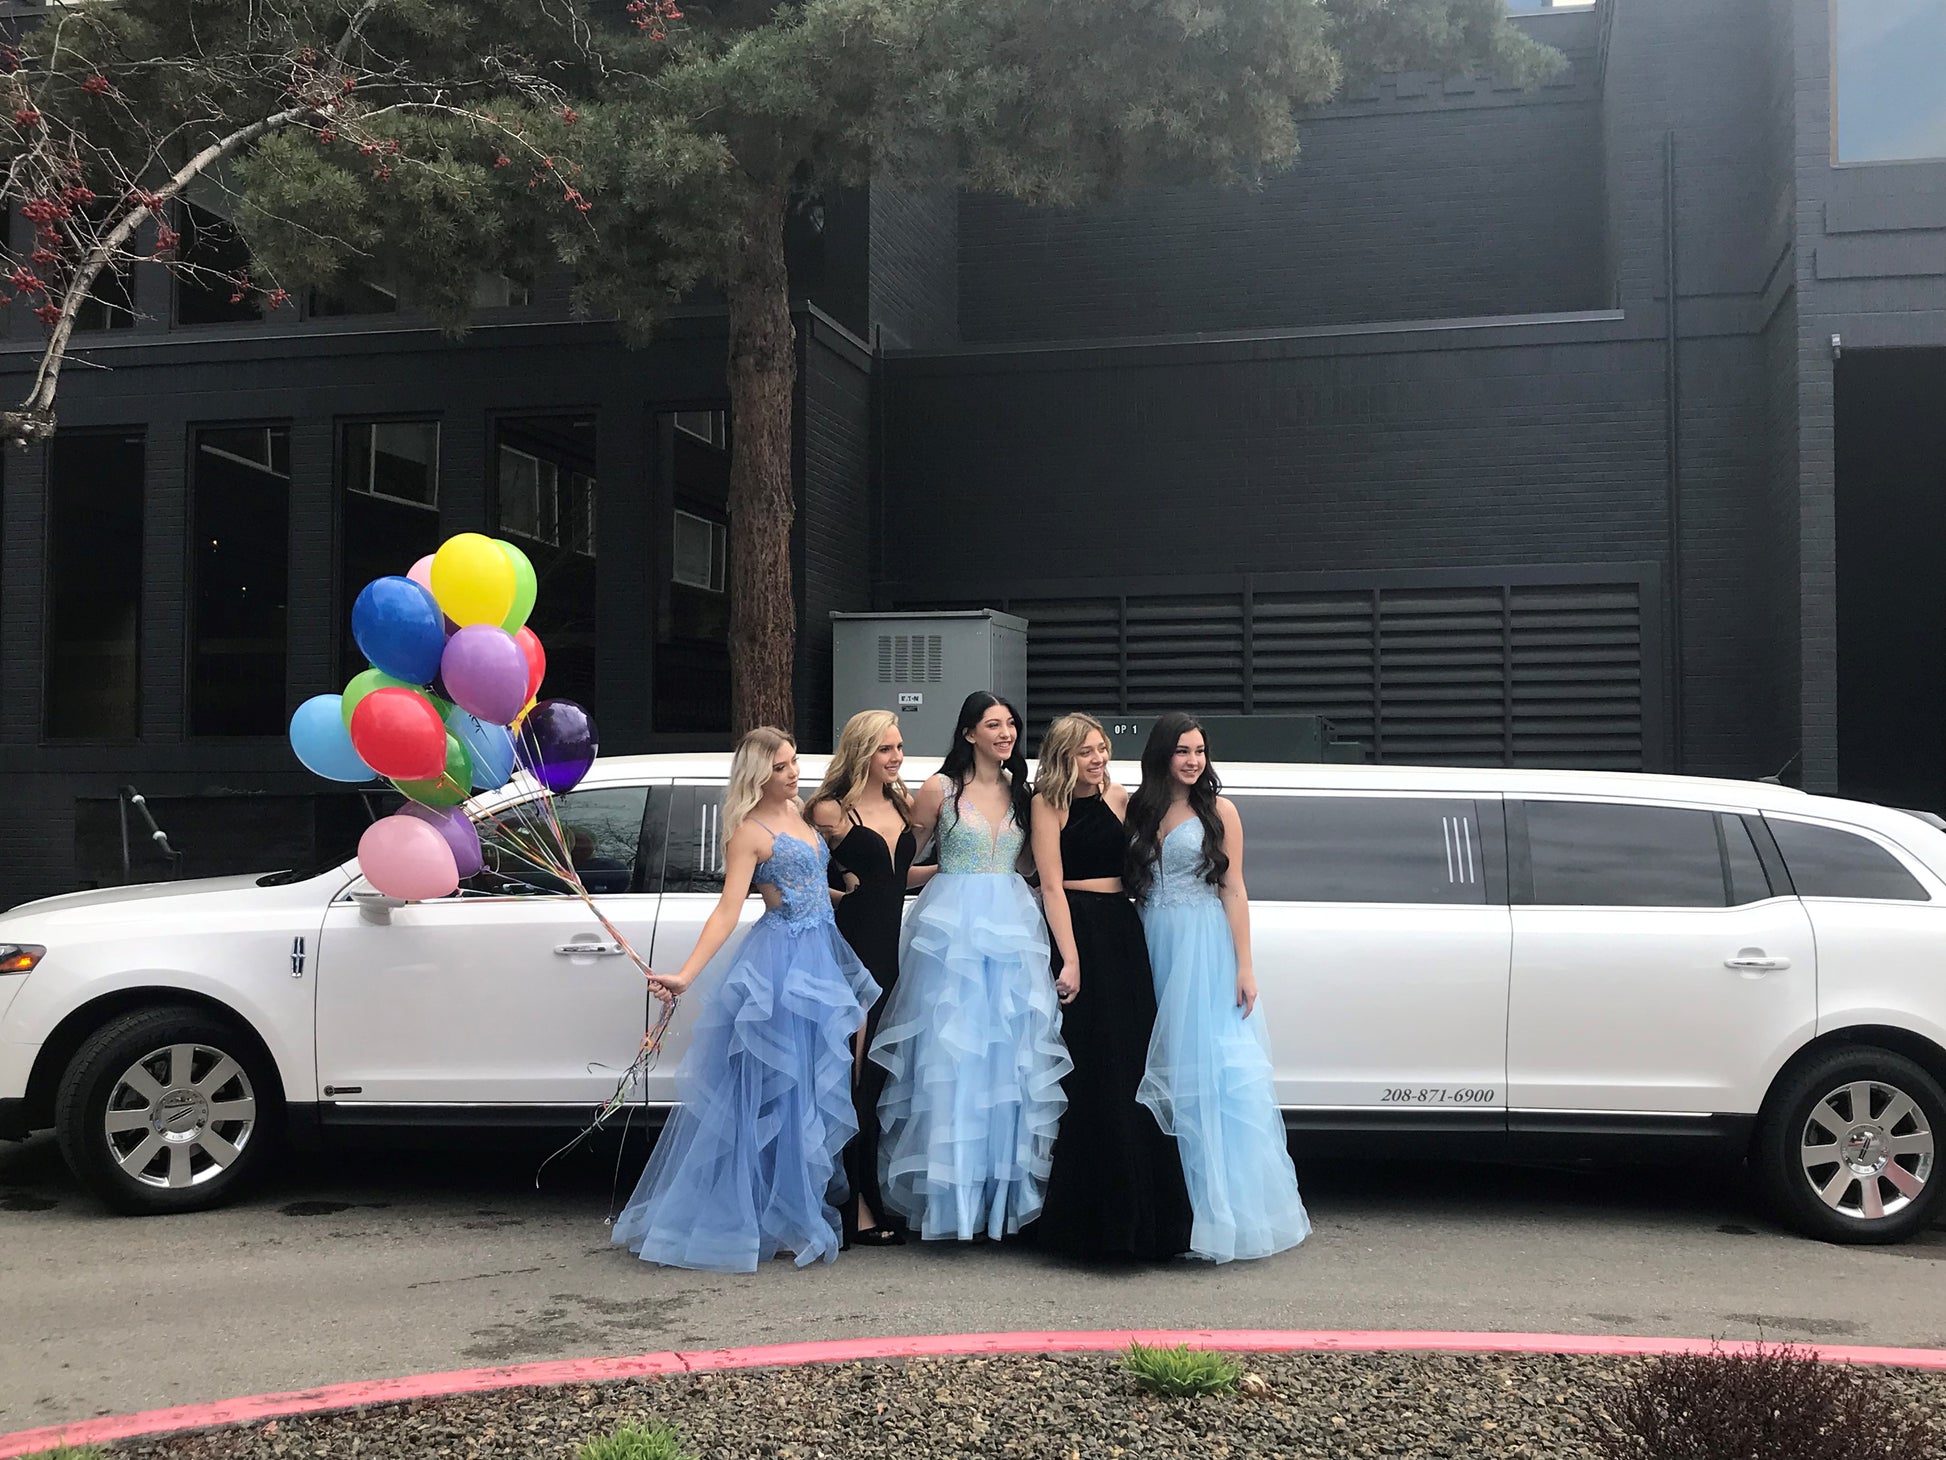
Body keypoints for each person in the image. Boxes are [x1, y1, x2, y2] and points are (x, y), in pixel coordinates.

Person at [611, 727, 878, 1273]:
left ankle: (787, 1212)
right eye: (782, 766)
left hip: (819, 957)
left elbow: (802, 883)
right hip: (780, 965)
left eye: (794, 762)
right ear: (759, 773)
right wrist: (686, 974)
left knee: (804, 1086)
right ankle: (754, 1216)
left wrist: (838, 893)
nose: (794, 772)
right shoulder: (747, 833)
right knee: (772, 1091)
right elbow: (729, 909)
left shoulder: (802, 814)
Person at [869, 691, 1072, 1241]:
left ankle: (998, 1204)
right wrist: (875, 886)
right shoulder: (940, 789)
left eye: (1011, 724)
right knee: (949, 1057)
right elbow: (899, 860)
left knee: (1006, 1062)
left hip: (1010, 929)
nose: (1005, 733)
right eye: (993, 724)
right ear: (968, 733)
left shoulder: (1023, 792)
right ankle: (950, 1206)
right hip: (949, 932)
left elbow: (1032, 866)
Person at [1125, 712, 1310, 1263]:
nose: (1192, 760)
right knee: (1156, 1070)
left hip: (1203, 948)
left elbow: (1234, 888)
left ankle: (1219, 1218)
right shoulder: (1137, 808)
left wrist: (1245, 966)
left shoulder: (1219, 811)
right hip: (1149, 941)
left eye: (1200, 750)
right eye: (1182, 750)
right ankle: (1168, 1210)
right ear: (1162, 754)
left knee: (1211, 1077)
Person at [1031, 713, 1193, 1260]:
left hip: (1125, 932)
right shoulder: (1047, 804)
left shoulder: (1121, 797)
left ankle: (1149, 1224)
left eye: (1101, 749)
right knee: (1093, 1070)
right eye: (1085, 752)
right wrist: (1070, 958)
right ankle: (1092, 1227)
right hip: (1079, 931)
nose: (1098, 759)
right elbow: (1049, 885)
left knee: (1134, 1066)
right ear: (1063, 757)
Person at [807, 709, 936, 1246]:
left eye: (899, 747)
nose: (897, 757)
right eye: (886, 749)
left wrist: (960, 871)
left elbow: (897, 876)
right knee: (853, 1081)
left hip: (894, 953)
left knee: (878, 1080)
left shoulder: (902, 804)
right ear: (862, 751)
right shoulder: (829, 810)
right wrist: (841, 892)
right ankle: (857, 1206)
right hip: (852, 953)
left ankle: (868, 1194)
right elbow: (794, 872)